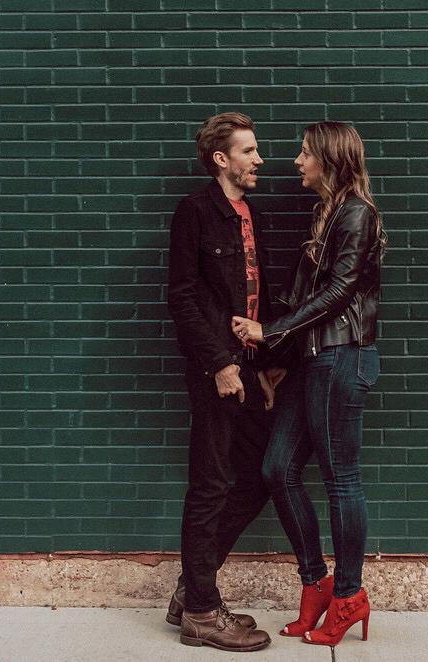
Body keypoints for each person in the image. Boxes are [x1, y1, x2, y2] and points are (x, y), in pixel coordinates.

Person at [230, 120, 384, 647]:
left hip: (344, 359)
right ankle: (315, 581)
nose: (295, 161)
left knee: (342, 479)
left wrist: (269, 331)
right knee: (278, 468)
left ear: (330, 159)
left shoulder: (358, 215)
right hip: (312, 360)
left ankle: (349, 595)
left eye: (304, 152)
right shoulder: (328, 214)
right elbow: (307, 302)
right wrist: (279, 360)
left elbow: (340, 292)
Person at [166, 112, 287, 652]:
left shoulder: (250, 214)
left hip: (248, 366)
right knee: (212, 482)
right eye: (249, 151)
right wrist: (219, 363)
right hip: (214, 370)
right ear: (222, 159)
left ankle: (194, 586)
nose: (259, 159)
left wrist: (259, 368)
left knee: (263, 473)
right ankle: (200, 611)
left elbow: (254, 299)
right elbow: (183, 297)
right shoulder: (195, 212)